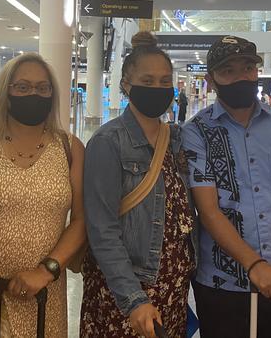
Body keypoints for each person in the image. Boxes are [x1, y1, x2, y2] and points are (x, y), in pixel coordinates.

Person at [182, 36, 271, 338]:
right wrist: (253, 263)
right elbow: (208, 211)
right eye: (228, 71)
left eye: (248, 68)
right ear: (211, 79)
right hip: (223, 284)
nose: (241, 77)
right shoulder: (197, 132)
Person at [80, 32, 197, 338]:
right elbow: (102, 229)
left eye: (164, 81)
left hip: (172, 288)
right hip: (127, 293)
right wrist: (133, 299)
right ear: (126, 85)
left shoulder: (176, 140)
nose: (157, 88)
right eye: (147, 81)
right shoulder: (108, 142)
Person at [0, 53, 86, 338]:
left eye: (42, 88)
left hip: (45, 295)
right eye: (22, 87)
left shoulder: (69, 147)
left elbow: (81, 221)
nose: (34, 93)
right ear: (6, 92)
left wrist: (47, 270)